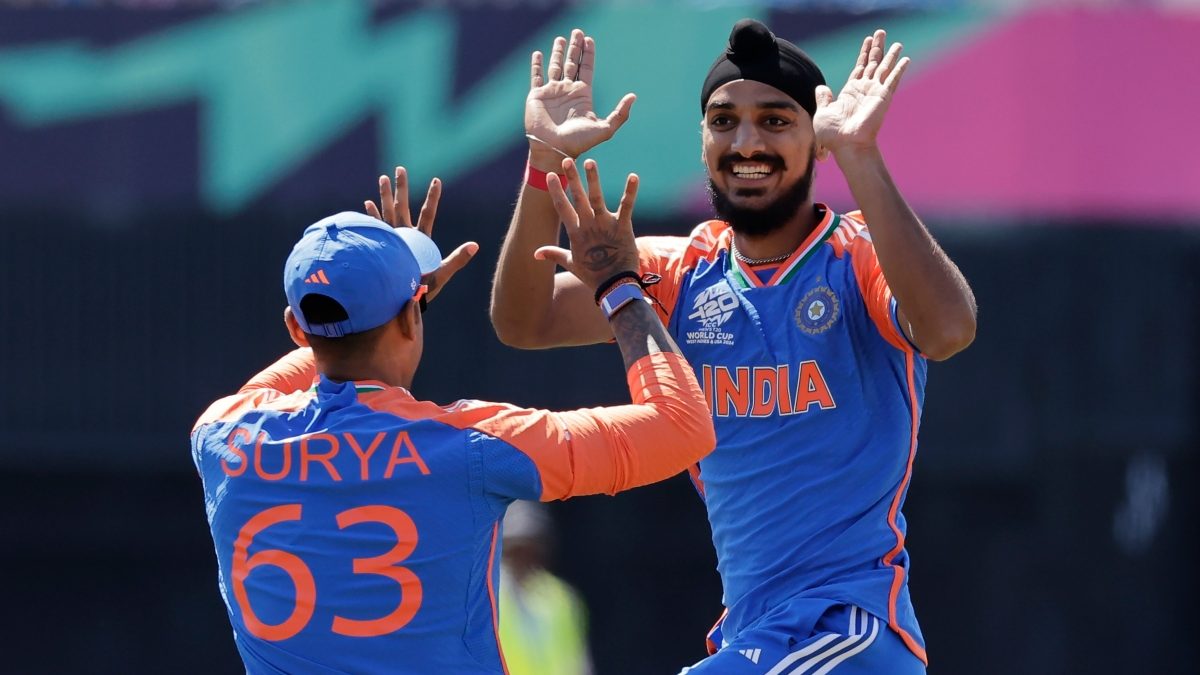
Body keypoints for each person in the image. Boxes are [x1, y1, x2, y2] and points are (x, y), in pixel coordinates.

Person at [491, 20, 977, 674]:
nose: (746, 141)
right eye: (724, 120)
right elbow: (524, 320)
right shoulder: (685, 270)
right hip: (754, 633)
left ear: (818, 139)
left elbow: (949, 329)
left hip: (847, 630)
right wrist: (544, 165)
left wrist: (862, 156)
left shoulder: (856, 255)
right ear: (702, 141)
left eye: (775, 121)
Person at [190, 167, 715, 674]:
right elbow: (681, 427)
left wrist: (399, 304)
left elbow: (302, 370)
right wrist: (620, 288)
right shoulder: (470, 447)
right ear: (410, 315)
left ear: (295, 328)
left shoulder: (221, 435)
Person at [498, 500, 593, 675]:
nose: (523, 558)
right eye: (515, 549)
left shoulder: (561, 598)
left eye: (530, 548)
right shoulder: (483, 597)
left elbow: (578, 663)